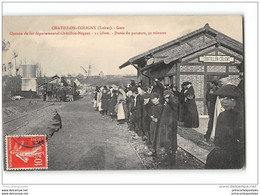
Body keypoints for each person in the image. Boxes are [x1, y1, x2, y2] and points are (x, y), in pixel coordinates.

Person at [205, 85, 244, 169]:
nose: (223, 102)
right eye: (221, 98)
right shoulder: (223, 115)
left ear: (235, 100)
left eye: (228, 98)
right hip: (226, 152)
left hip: (235, 154)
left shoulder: (240, 116)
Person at [156, 90, 178, 165]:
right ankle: (168, 156)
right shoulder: (166, 102)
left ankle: (173, 158)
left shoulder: (174, 100)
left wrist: (169, 99)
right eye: (164, 97)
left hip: (171, 125)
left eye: (166, 96)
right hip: (166, 125)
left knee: (172, 141)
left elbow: (175, 105)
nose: (165, 98)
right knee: (166, 141)